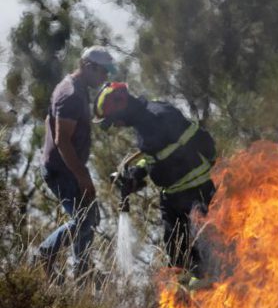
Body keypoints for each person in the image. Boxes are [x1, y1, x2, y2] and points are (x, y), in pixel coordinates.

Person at [93, 82, 216, 277]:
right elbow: (153, 157)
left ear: (122, 107)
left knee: (207, 259)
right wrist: (135, 176)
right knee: (178, 261)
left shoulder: (161, 115)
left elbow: (203, 141)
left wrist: (216, 174)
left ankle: (216, 297)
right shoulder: (142, 124)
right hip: (171, 199)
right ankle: (186, 302)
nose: (116, 126)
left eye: (113, 120)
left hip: (195, 195)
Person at [38, 46, 117, 280]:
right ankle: (46, 252)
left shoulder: (75, 87)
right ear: (88, 67)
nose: (106, 77)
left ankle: (81, 269)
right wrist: (83, 176)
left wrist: (90, 123)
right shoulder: (71, 94)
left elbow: (49, 119)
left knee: (89, 217)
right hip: (62, 170)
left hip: (67, 166)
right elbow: (63, 140)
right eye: (103, 72)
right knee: (84, 219)